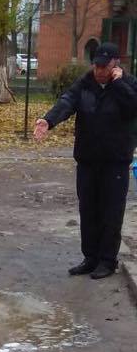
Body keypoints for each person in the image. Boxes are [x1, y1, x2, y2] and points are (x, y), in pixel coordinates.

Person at [33, 42, 137, 279]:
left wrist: (118, 84)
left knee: (111, 211)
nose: (99, 70)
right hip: (88, 159)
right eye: (96, 65)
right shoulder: (85, 83)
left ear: (116, 64)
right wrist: (48, 121)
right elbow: (67, 102)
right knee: (88, 209)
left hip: (115, 160)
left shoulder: (128, 84)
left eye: (105, 66)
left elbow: (132, 108)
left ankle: (107, 261)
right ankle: (90, 257)